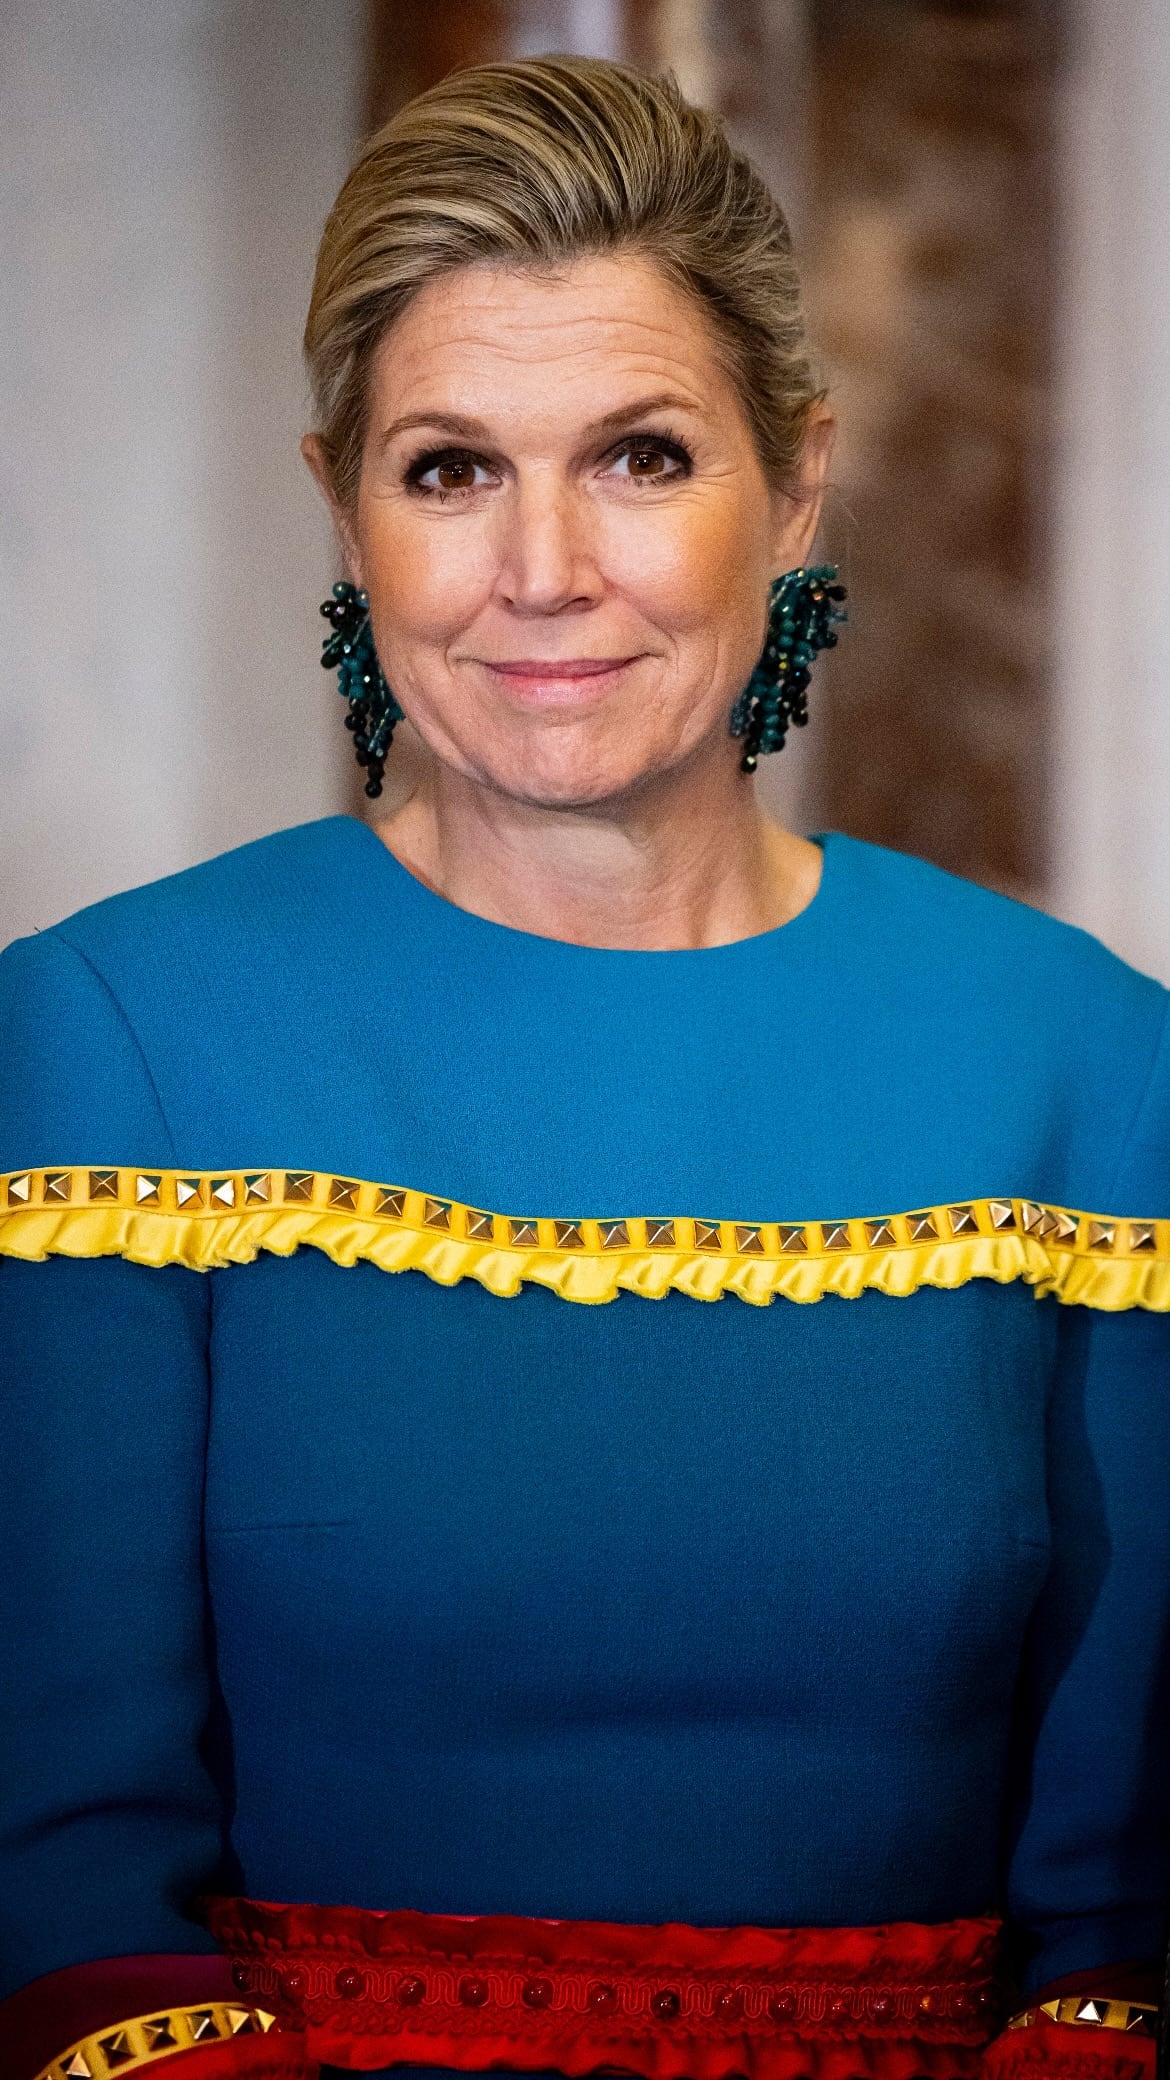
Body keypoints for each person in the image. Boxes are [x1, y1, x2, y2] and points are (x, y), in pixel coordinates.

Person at [0, 53, 1166, 2080]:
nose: (543, 568)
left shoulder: (1082, 1059)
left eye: (640, 455)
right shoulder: (107, 1037)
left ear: (794, 482)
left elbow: (1125, 1913)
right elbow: (62, 1877)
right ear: (343, 504)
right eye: (450, 466)